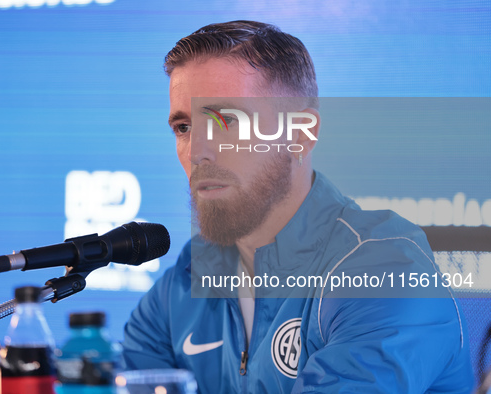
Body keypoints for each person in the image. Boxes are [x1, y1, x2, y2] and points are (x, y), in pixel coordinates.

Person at [121, 20, 474, 392]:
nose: (196, 152)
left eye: (225, 120)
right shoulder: (187, 279)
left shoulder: (386, 270)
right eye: (183, 127)